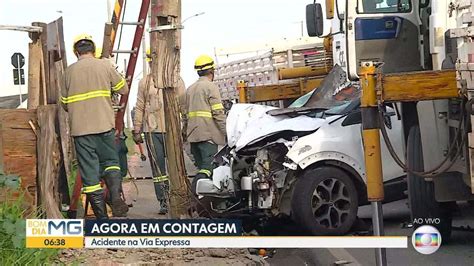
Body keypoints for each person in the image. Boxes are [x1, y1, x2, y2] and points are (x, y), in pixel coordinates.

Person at [62, 33, 129, 219]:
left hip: (81, 131)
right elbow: (123, 89)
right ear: (93, 49)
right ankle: (115, 197)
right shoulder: (104, 66)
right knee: (111, 163)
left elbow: (64, 104)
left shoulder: (68, 72)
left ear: (76, 52)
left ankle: (102, 219)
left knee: (90, 173)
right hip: (104, 126)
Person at [132, 48, 186, 214]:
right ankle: (163, 200)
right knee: (158, 170)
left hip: (172, 130)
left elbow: (183, 104)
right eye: (150, 60)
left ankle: (179, 199)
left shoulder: (176, 80)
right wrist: (136, 129)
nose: (152, 63)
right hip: (152, 131)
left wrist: (185, 126)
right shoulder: (144, 82)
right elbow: (139, 106)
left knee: (175, 167)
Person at [183, 55, 226, 194]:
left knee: (202, 168)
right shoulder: (211, 87)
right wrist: (227, 132)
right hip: (208, 136)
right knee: (208, 169)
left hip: (193, 137)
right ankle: (192, 197)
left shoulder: (190, 89)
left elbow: (185, 115)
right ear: (211, 71)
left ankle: (203, 203)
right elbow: (218, 113)